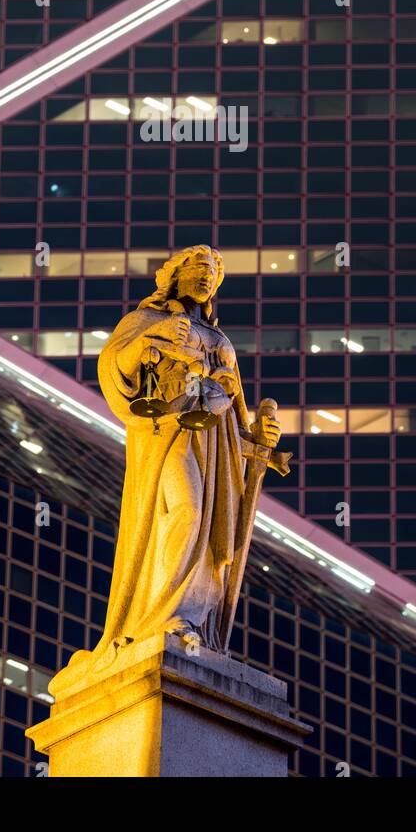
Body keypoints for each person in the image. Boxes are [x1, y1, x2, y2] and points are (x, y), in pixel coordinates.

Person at [48, 244, 281, 697]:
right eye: (198, 268)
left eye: (214, 272)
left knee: (208, 531)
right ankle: (159, 615)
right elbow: (116, 366)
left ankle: (189, 617)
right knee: (185, 513)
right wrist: (151, 343)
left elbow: (238, 416)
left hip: (213, 441)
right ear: (173, 275)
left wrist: (261, 435)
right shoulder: (148, 320)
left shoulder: (224, 344)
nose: (207, 277)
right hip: (168, 429)